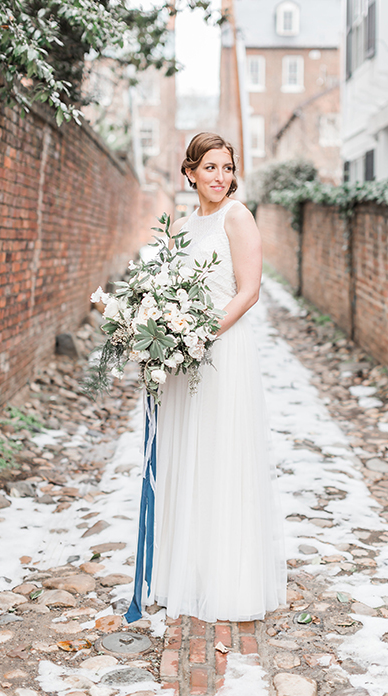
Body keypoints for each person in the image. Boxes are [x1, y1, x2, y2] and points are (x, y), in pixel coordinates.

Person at [149, 132, 286, 622]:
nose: (220, 177)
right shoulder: (181, 227)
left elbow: (248, 291)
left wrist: (200, 334)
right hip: (185, 359)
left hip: (223, 352)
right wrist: (161, 335)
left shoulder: (238, 216)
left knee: (222, 453)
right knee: (190, 453)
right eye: (210, 168)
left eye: (227, 168)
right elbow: (166, 290)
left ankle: (231, 579)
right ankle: (190, 573)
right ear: (190, 172)